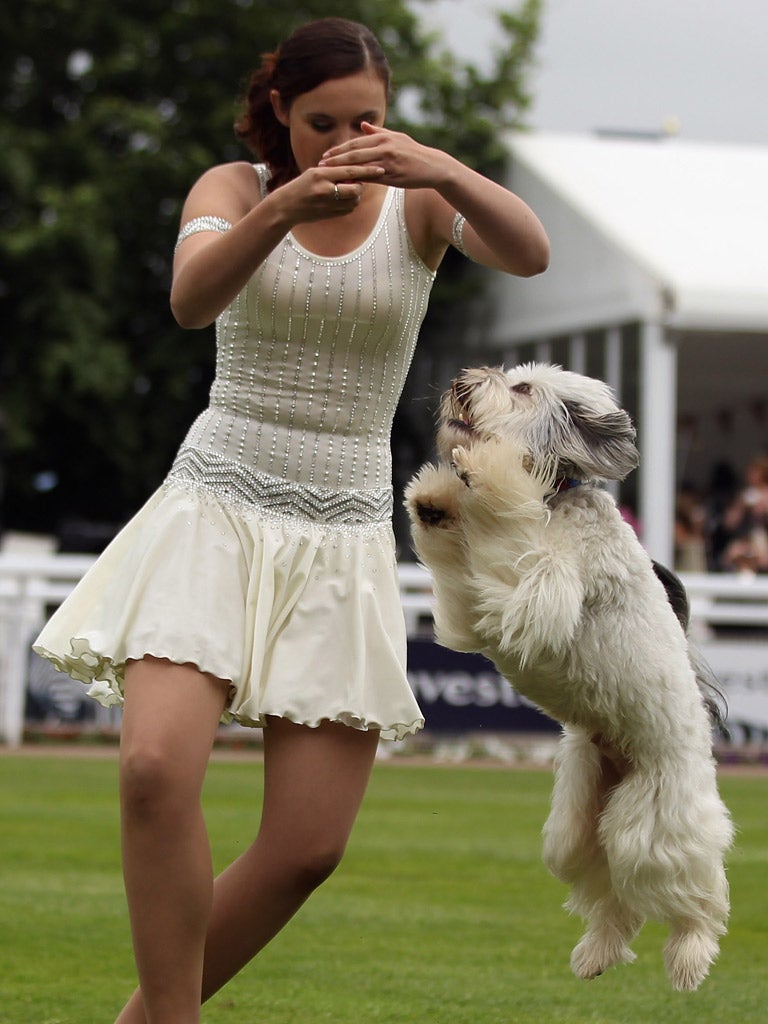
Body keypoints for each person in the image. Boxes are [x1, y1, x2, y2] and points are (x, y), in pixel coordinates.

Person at [33, 17, 549, 1023]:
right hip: (215, 508)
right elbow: (190, 300)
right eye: (323, 121)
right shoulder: (233, 190)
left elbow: (527, 251)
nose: (347, 139)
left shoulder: (420, 206)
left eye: (369, 119)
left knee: (309, 845)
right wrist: (282, 209)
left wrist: (437, 164)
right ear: (280, 110)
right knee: (150, 767)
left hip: (341, 533)